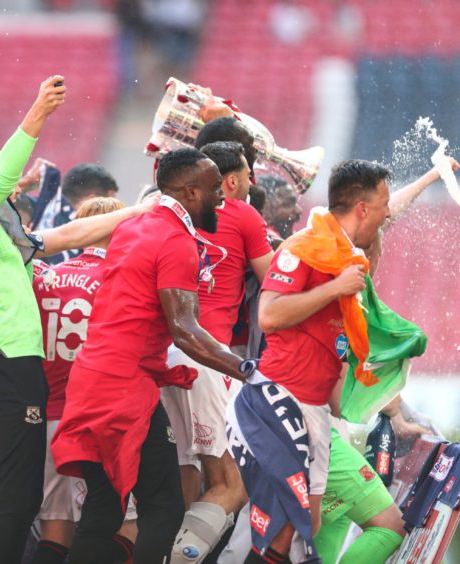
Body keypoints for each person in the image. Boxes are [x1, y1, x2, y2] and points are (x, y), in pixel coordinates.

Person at [0, 105, 153, 562]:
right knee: (11, 497)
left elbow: (69, 234)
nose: (14, 179)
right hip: (5, 361)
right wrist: (39, 110)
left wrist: (141, 211)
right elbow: (7, 169)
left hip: (5, 362)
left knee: (21, 497)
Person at [52, 148, 249, 563]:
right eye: (215, 189)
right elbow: (185, 330)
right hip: (124, 389)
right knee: (164, 507)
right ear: (191, 191)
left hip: (91, 379)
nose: (222, 198)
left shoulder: (135, 226)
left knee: (104, 509)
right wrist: (249, 369)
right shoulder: (176, 240)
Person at [228, 160, 391, 563]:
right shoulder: (302, 247)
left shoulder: (347, 261)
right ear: (362, 208)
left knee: (308, 530)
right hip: (280, 400)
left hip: (316, 409)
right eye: (384, 204)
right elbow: (269, 315)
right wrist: (335, 287)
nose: (388, 212)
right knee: (284, 530)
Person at [162, 141, 272, 563]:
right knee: (233, 483)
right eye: (247, 174)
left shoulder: (161, 212)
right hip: (207, 356)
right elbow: (279, 282)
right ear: (226, 180)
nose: (250, 182)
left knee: (185, 475)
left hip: (163, 356)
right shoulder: (243, 214)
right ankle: (178, 558)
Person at [31, 196, 132, 564]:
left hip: (42, 413)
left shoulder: (44, 277)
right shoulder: (116, 279)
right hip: (90, 420)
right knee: (103, 523)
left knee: (54, 531)